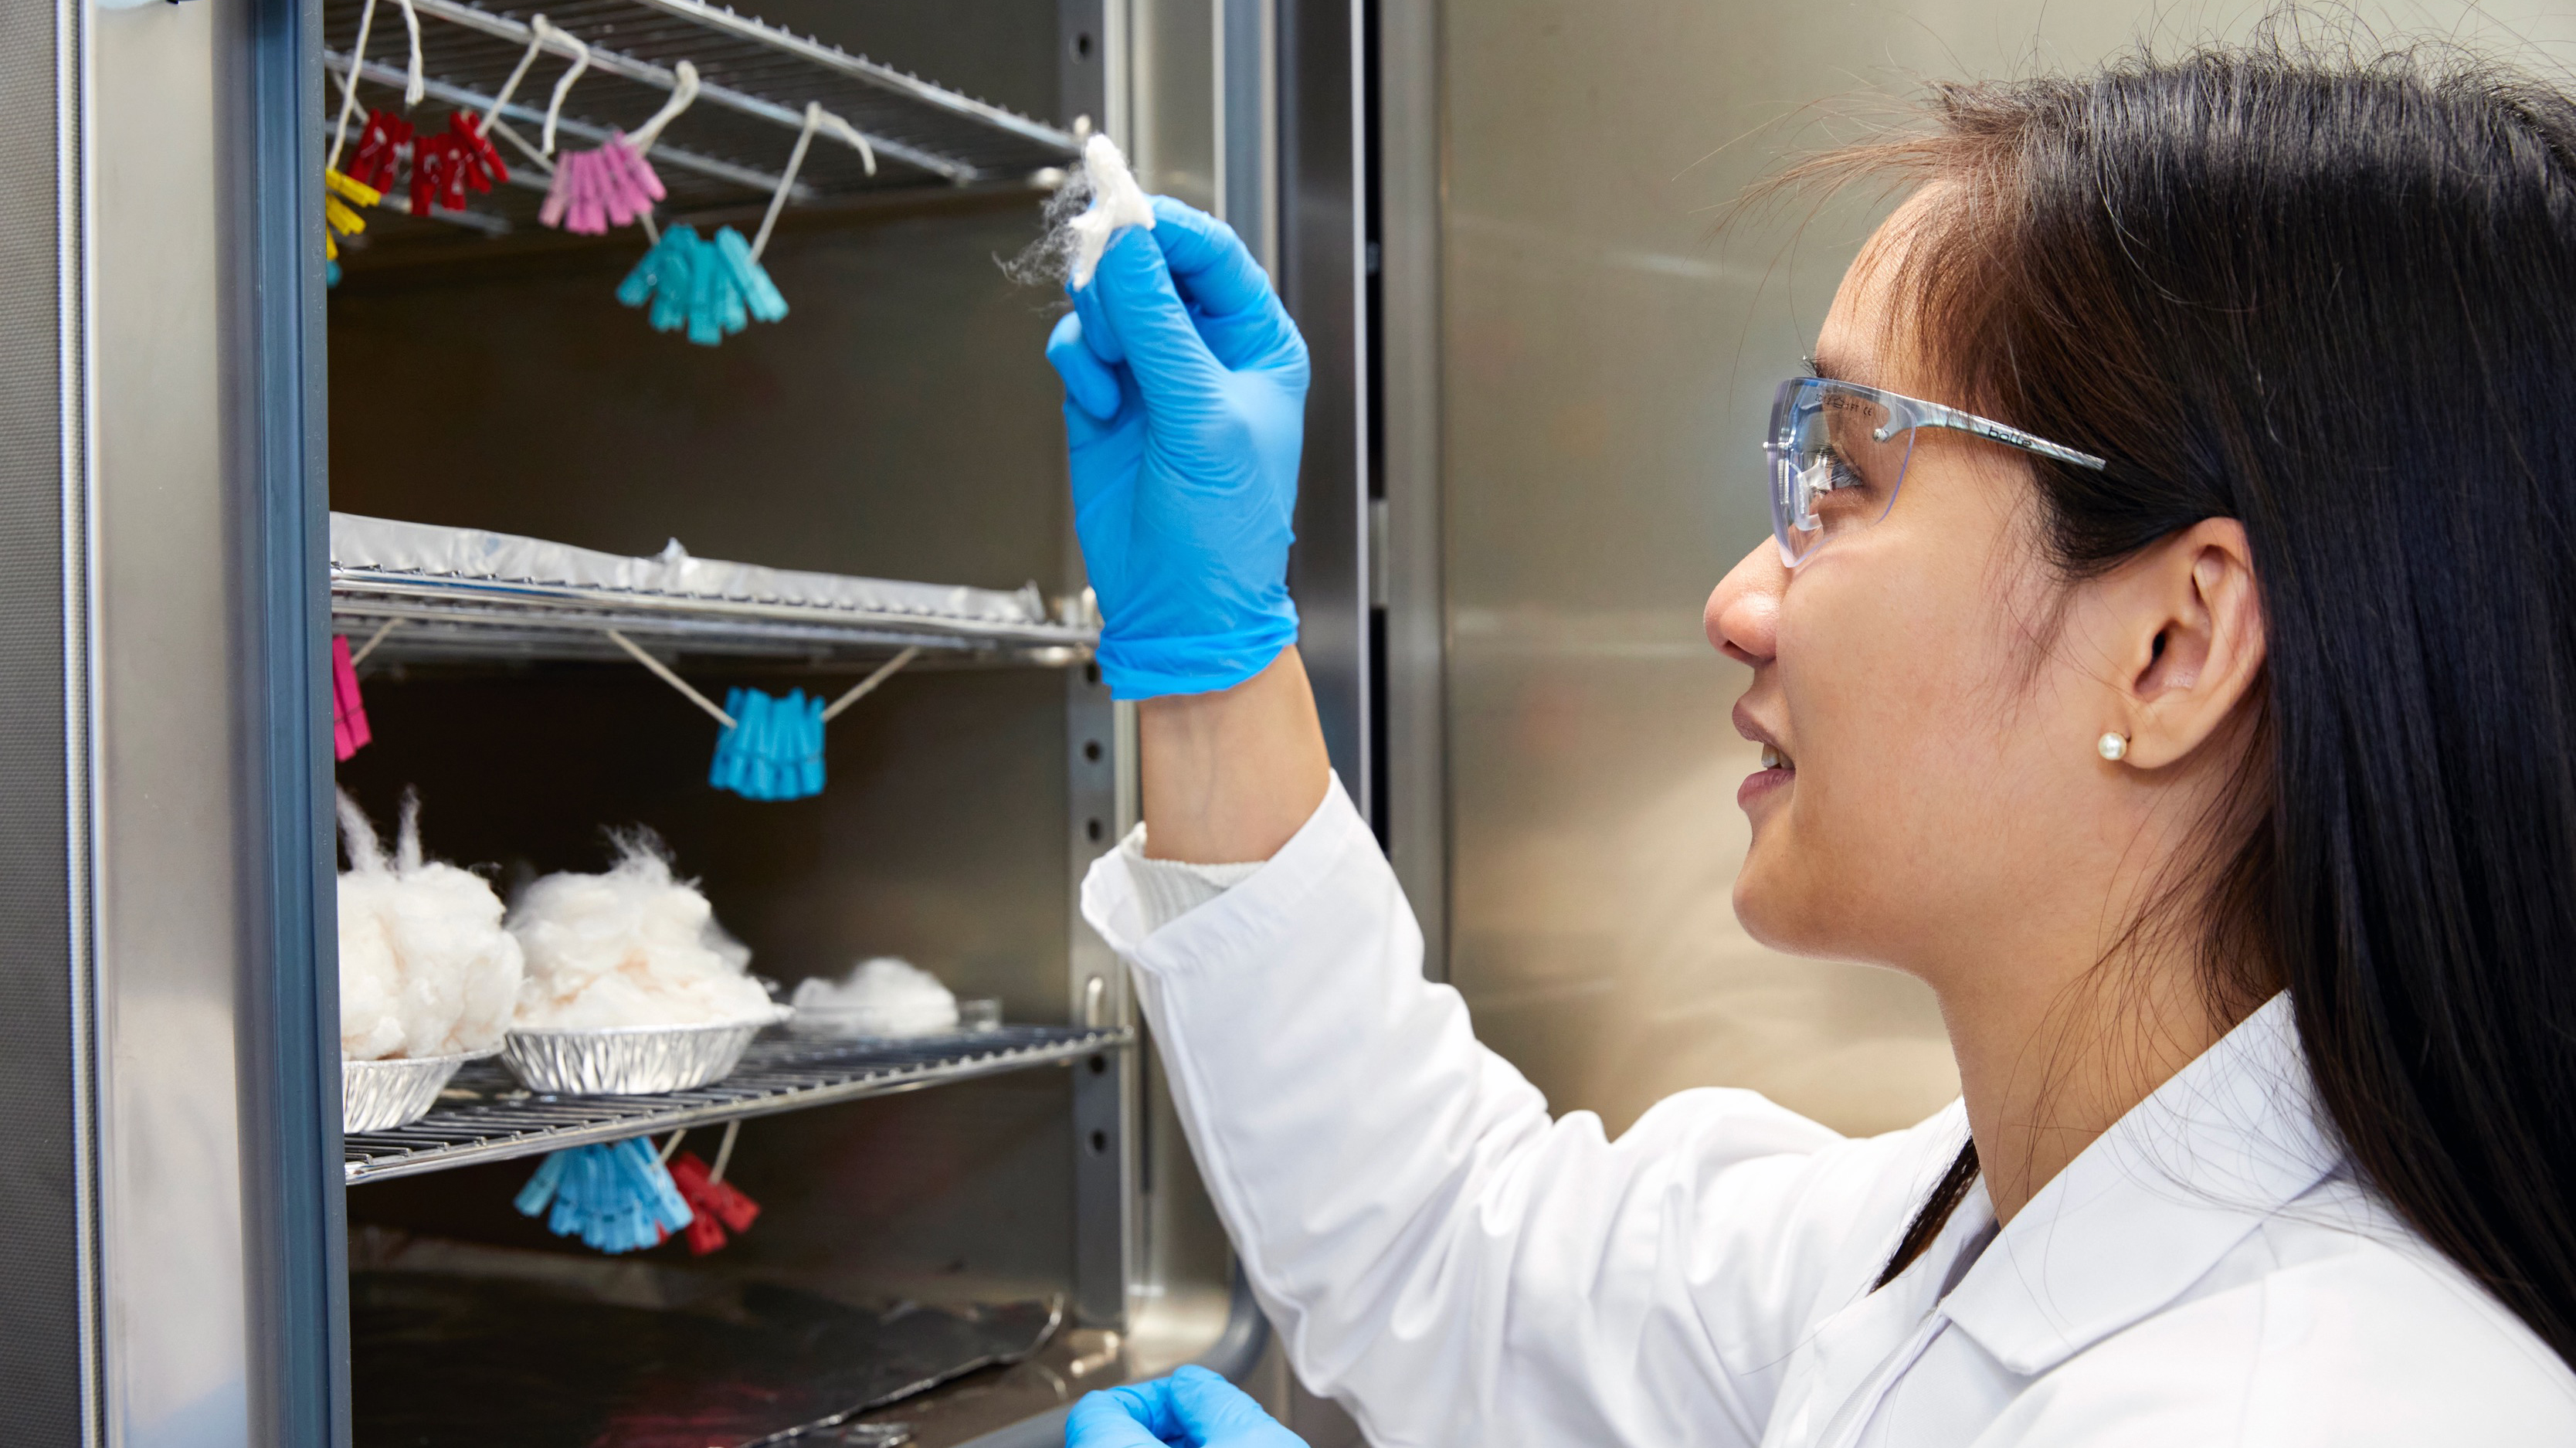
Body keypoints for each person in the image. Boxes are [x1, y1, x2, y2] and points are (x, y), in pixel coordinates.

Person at [1044, 39, 2576, 1448]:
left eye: (1843, 474)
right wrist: (1213, 652)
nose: (1733, 602)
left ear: (2170, 648)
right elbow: (1448, 1248)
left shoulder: (2312, 1407)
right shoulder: (1957, 1227)